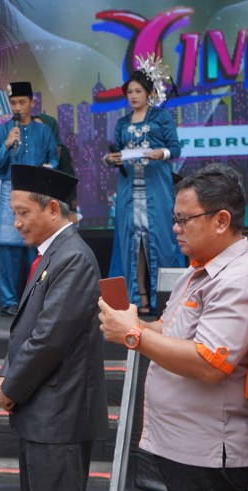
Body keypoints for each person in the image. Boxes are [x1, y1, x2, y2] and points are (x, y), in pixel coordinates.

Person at [99, 163, 248, 491]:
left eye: (184, 220)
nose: (175, 229)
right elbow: (171, 331)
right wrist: (133, 324)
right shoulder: (196, 271)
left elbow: (208, 363)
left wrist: (134, 335)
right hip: (182, 446)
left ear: (221, 220)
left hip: (209, 451)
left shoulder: (238, 279)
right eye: (175, 219)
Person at [0, 164, 107, 491]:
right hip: (42, 413)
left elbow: (48, 339)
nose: (17, 223)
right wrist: (8, 374)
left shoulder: (72, 257)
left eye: (24, 213)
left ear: (53, 209)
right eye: (14, 214)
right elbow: (25, 330)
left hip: (60, 414)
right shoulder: (50, 255)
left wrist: (9, 387)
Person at [103, 55, 183, 315]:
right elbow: (117, 153)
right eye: (129, 92)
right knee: (132, 245)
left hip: (157, 190)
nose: (133, 96)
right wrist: (110, 159)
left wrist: (160, 154)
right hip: (129, 193)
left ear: (148, 92)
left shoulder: (161, 118)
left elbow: (175, 149)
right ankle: (140, 299)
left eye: (138, 91)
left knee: (162, 242)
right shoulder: (123, 123)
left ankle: (169, 299)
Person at [0, 81, 58, 317]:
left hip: (35, 192)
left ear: (31, 103)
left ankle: (34, 299)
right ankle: (9, 301)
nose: (17, 107)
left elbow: (54, 159)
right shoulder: (1, 131)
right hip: (9, 190)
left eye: (22, 102)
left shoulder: (43, 131)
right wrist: (7, 144)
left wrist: (48, 168)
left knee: (35, 247)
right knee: (7, 247)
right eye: (14, 103)